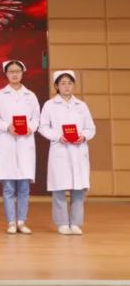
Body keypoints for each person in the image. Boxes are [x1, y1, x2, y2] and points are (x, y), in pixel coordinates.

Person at [39, 70, 96, 235]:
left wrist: (83, 136)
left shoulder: (81, 105)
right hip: (60, 150)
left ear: (73, 85)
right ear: (56, 86)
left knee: (78, 189)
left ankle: (76, 223)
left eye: (70, 83)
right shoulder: (49, 105)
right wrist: (58, 137)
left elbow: (91, 128)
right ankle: (62, 223)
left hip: (78, 150)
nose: (66, 86)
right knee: (59, 188)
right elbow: (43, 127)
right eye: (63, 83)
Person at [0, 60, 41, 235]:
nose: (15, 74)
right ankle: (11, 222)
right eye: (11, 71)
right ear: (6, 74)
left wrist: (30, 128)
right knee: (9, 187)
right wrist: (6, 126)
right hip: (7, 141)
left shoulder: (30, 95)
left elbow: (36, 118)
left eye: (17, 71)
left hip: (25, 143)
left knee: (24, 187)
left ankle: (22, 221)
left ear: (22, 73)